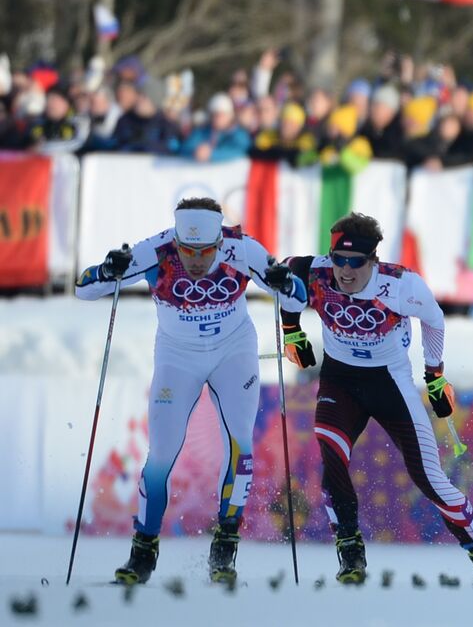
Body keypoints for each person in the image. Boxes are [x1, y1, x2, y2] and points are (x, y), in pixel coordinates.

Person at [277, 213, 473, 586]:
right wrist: (291, 330)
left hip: (390, 383)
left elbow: (435, 319)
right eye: (338, 259)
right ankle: (350, 552)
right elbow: (285, 282)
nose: (344, 271)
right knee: (331, 454)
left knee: (428, 477)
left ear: (372, 260)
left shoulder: (400, 284)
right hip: (340, 381)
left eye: (355, 263)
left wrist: (435, 375)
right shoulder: (313, 272)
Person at [74, 198, 305, 585]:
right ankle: (143, 552)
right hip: (177, 358)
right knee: (161, 454)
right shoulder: (157, 250)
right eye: (187, 250)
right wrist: (105, 269)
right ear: (176, 240)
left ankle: (225, 546)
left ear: (219, 241)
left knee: (241, 445)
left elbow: (296, 298)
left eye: (206, 251)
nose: (196, 260)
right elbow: (85, 289)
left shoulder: (243, 248)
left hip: (234, 352)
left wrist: (284, 281)